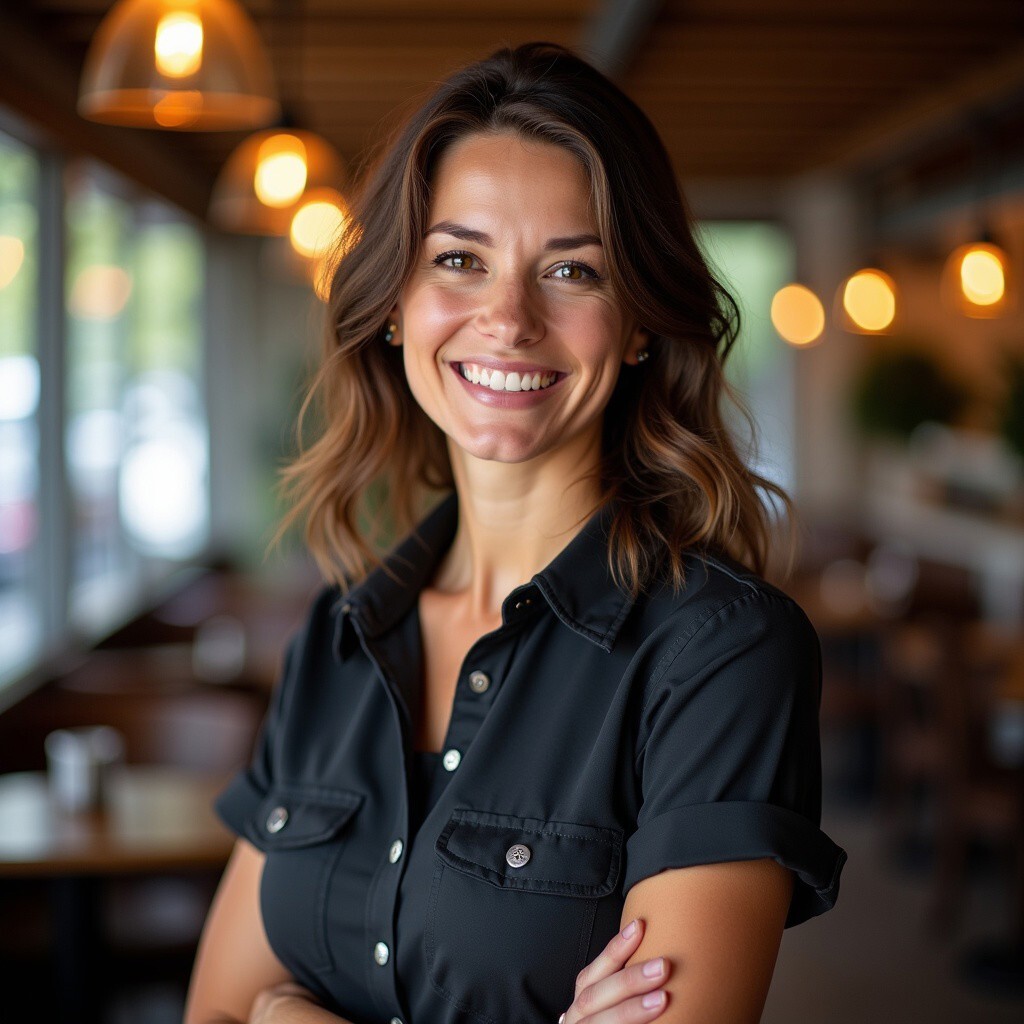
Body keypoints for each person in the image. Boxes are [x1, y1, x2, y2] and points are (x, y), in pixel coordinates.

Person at [184, 40, 847, 1024]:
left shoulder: (721, 656)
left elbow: (254, 1010)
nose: (508, 317)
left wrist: (289, 1011)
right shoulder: (337, 638)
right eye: (458, 259)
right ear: (397, 309)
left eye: (572, 270)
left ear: (634, 325)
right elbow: (216, 1013)